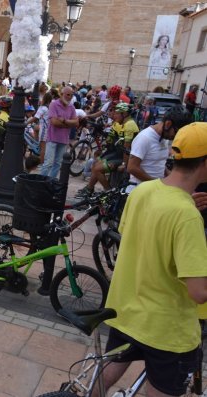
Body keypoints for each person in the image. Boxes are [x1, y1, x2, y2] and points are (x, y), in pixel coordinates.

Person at [98, 122, 207, 397]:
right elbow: (198, 292)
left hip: (126, 309)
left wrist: (181, 207)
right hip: (166, 330)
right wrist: (183, 212)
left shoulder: (143, 192)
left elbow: (143, 236)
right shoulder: (187, 215)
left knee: (107, 374)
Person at [76, 103, 139, 197]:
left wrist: (124, 165)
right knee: (95, 163)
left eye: (117, 113)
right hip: (117, 153)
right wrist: (102, 150)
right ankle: (89, 189)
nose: (114, 115)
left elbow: (127, 149)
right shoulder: (118, 123)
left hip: (126, 158)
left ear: (124, 114)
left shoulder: (130, 125)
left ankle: (109, 192)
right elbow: (109, 140)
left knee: (97, 169)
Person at [126, 106, 193, 193]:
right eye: (177, 132)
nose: (176, 137)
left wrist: (172, 178)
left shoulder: (164, 137)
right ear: (168, 124)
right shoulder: (144, 138)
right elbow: (132, 167)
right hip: (141, 191)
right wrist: (156, 184)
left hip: (156, 190)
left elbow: (158, 163)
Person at [40, 86, 79, 179]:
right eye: (68, 94)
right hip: (52, 137)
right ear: (61, 95)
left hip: (64, 139)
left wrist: (64, 121)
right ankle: (41, 182)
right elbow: (54, 122)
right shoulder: (54, 105)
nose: (69, 97)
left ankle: (51, 182)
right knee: (48, 163)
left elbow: (76, 123)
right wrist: (70, 123)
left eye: (71, 95)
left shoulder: (71, 107)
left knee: (57, 163)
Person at [28, 92, 53, 164]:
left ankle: (41, 162)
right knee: (36, 128)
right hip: (48, 128)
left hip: (44, 129)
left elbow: (35, 117)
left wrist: (26, 123)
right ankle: (36, 142)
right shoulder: (50, 107)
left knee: (43, 147)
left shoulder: (43, 108)